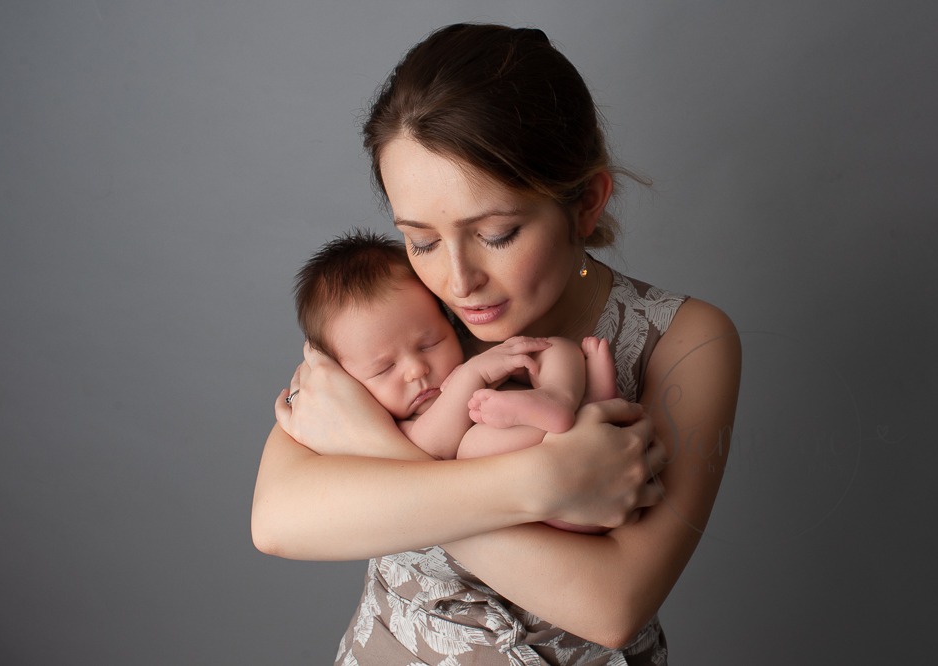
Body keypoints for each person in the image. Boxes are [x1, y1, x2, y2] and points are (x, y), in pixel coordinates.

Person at [252, 22, 741, 665]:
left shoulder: (685, 338)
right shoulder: (404, 318)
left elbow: (612, 606)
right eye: (421, 240)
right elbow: (279, 521)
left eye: (499, 233)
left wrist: (378, 449)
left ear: (587, 204)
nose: (458, 280)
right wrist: (548, 478)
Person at [292, 231, 618, 535]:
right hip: (560, 497)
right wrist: (471, 376)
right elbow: (431, 451)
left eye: (429, 343)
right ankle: (580, 411)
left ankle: (566, 399)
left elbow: (523, 358)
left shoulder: (471, 354)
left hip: (587, 453)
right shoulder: (392, 428)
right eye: (384, 369)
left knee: (549, 348)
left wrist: (517, 364)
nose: (416, 370)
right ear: (347, 381)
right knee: (472, 447)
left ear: (447, 321)